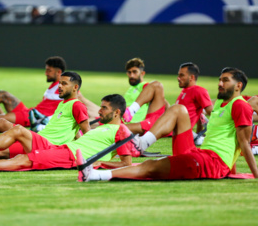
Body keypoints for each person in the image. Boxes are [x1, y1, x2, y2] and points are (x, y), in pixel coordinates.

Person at [78, 67, 258, 182]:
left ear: (238, 85)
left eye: (225, 80)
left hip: (212, 163)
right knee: (178, 109)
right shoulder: (221, 103)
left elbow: (243, 144)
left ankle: (95, 175)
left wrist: (255, 175)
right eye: (220, 79)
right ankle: (142, 143)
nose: (219, 83)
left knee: (151, 167)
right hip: (201, 154)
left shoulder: (240, 105)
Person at [0, 94, 134, 173]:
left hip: (69, 157)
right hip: (64, 149)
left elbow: (126, 163)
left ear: (117, 113)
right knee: (18, 140)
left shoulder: (122, 130)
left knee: (23, 160)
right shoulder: (103, 128)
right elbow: (86, 140)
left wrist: (94, 164)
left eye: (104, 108)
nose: (99, 111)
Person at [0, 71, 90, 160]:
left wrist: (83, 153)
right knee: (2, 124)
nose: (59, 86)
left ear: (75, 87)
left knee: (2, 151)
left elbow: (87, 133)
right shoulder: (63, 104)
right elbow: (76, 131)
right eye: (59, 83)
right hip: (39, 139)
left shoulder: (77, 105)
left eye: (64, 84)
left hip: (45, 145)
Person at [79, 57, 168, 135]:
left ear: (142, 73)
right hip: (117, 115)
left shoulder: (145, 86)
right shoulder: (131, 89)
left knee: (83, 121)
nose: (131, 75)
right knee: (81, 104)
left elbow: (161, 98)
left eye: (134, 72)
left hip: (127, 121)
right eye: (129, 72)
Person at [0, 56, 66, 128]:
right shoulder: (54, 85)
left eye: (49, 71)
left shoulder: (63, 87)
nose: (46, 73)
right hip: (30, 112)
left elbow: (78, 99)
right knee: (2, 94)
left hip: (33, 118)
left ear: (59, 72)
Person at [175, 62, 213, 144]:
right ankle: (197, 138)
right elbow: (199, 113)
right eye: (178, 75)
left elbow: (211, 113)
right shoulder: (184, 91)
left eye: (182, 75)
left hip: (182, 132)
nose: (178, 78)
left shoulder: (199, 91)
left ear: (191, 77)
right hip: (177, 131)